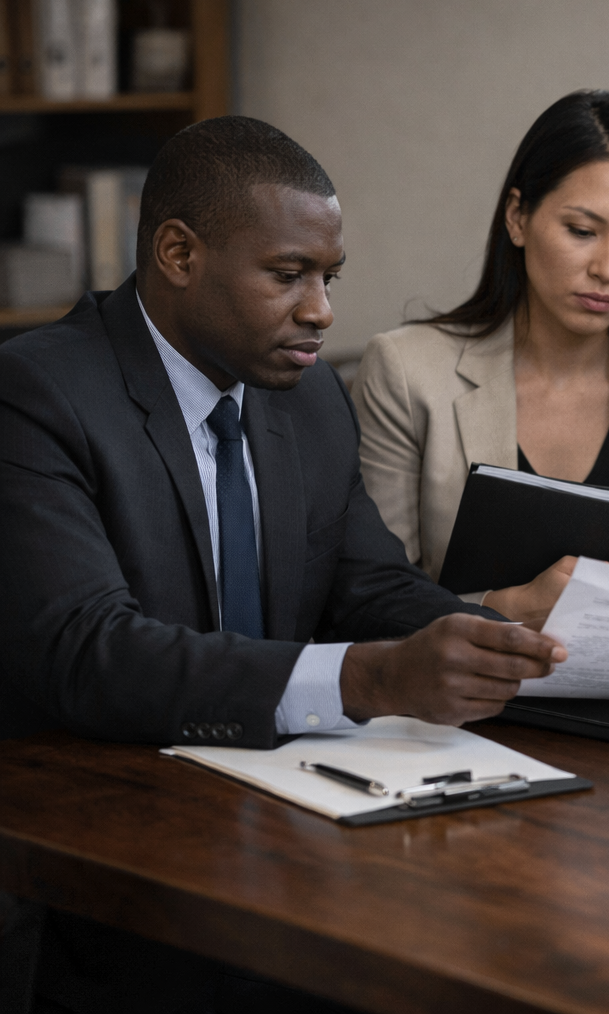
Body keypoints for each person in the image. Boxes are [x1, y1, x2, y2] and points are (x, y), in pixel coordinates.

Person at [0, 115, 562, 1011]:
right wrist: (368, 680)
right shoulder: (37, 392)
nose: (322, 312)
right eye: (288, 275)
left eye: (329, 278)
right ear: (179, 254)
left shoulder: (304, 399)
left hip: (290, 819)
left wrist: (512, 647)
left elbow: (366, 583)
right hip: (105, 853)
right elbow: (88, 648)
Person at [354, 90, 609, 627]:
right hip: (452, 699)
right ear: (518, 217)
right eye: (582, 232)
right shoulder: (406, 372)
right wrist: (501, 610)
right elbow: (374, 597)